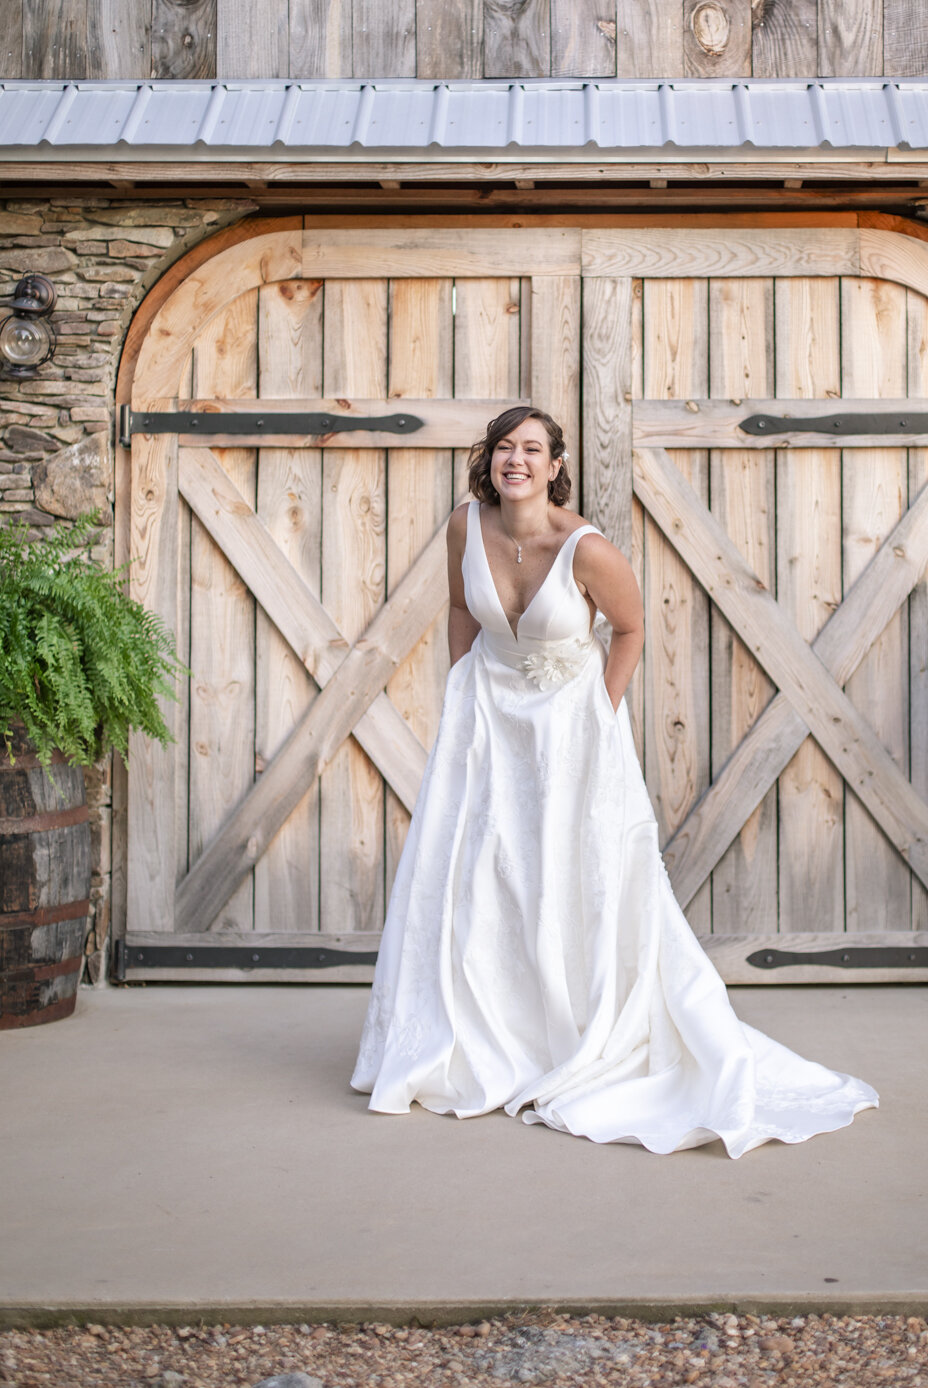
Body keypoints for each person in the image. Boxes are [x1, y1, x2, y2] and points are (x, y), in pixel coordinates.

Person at [351, 406, 877, 1156]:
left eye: (532, 449)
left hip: (569, 731)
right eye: (505, 448)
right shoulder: (466, 526)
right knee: (481, 874)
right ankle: (485, 1037)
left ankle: (579, 1033)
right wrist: (458, 692)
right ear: (489, 460)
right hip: (487, 722)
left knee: (573, 875)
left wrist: (597, 711)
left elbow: (628, 630)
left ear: (555, 465)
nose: (517, 461)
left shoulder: (586, 549)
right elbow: (458, 613)